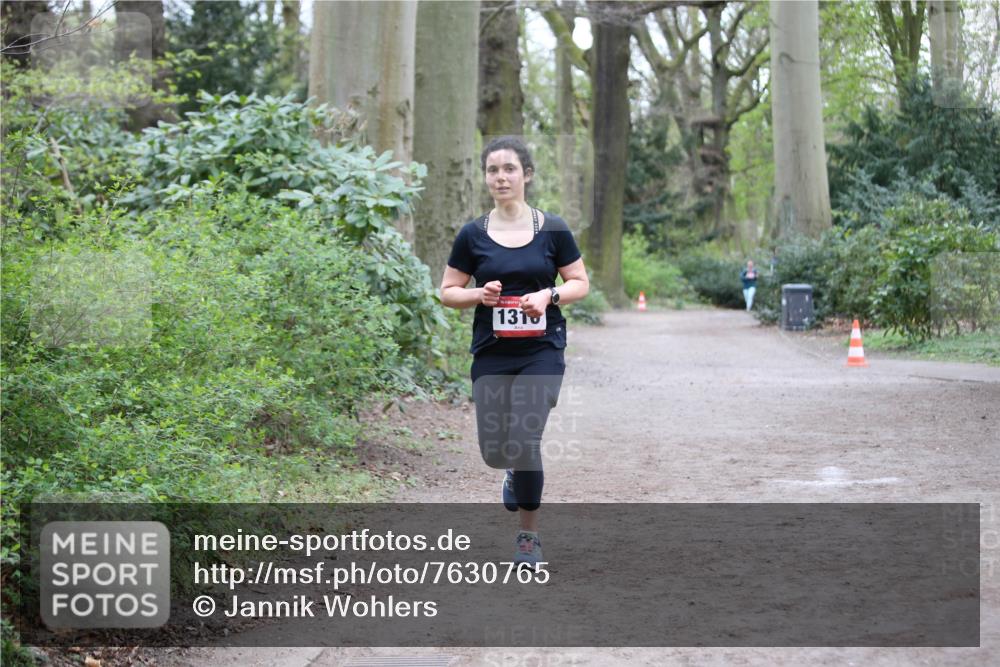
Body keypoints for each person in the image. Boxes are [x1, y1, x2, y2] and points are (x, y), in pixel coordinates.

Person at [439, 136, 589, 565]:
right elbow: (447, 291)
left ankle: (528, 536)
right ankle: (509, 471)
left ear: (527, 174)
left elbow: (580, 282)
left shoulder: (553, 228)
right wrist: (478, 295)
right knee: (495, 450)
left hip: (542, 350)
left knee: (525, 438)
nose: (501, 177)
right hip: (492, 352)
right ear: (485, 177)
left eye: (509, 169)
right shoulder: (472, 235)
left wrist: (548, 296)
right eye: (493, 170)